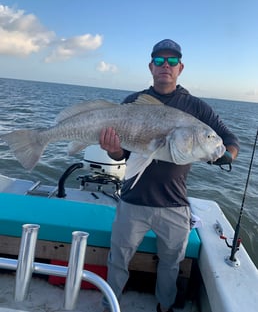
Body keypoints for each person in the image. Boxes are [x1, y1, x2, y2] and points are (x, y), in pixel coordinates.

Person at [99, 39, 240, 312]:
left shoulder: (196, 108)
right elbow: (124, 157)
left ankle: (164, 306)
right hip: (132, 199)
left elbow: (229, 140)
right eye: (160, 61)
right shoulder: (133, 103)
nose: (166, 65)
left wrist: (224, 156)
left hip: (174, 203)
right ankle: (109, 305)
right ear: (151, 67)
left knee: (171, 264)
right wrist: (115, 151)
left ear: (180, 68)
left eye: (172, 61)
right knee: (118, 259)